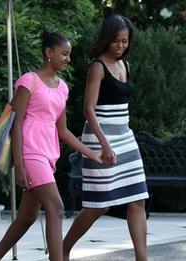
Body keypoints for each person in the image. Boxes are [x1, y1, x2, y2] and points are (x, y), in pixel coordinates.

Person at [0, 31, 103, 261]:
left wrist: (91, 154)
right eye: (64, 54)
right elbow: (15, 125)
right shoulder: (29, 81)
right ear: (49, 53)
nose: (68, 59)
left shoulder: (63, 88)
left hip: (49, 155)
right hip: (30, 152)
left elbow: (63, 130)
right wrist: (19, 164)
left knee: (28, 215)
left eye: (69, 54)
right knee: (56, 207)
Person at [63, 15, 149, 261]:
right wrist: (105, 145)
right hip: (100, 140)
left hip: (126, 137)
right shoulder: (97, 67)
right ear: (106, 40)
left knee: (137, 201)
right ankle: (64, 248)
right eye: (115, 41)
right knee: (99, 205)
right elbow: (88, 110)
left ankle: (142, 259)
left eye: (124, 41)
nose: (120, 46)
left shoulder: (126, 65)